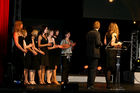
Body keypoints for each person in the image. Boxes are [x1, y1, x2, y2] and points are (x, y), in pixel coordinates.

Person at [104, 22, 122, 89]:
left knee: (108, 69)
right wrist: (118, 43)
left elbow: (105, 42)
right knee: (113, 68)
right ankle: (114, 83)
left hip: (107, 52)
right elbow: (112, 44)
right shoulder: (114, 34)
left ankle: (108, 85)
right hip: (112, 53)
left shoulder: (106, 34)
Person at [86, 21, 102, 89]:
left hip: (89, 53)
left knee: (90, 69)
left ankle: (88, 84)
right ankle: (91, 85)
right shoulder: (97, 33)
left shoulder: (89, 33)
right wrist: (101, 44)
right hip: (95, 54)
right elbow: (98, 43)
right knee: (93, 70)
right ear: (99, 26)